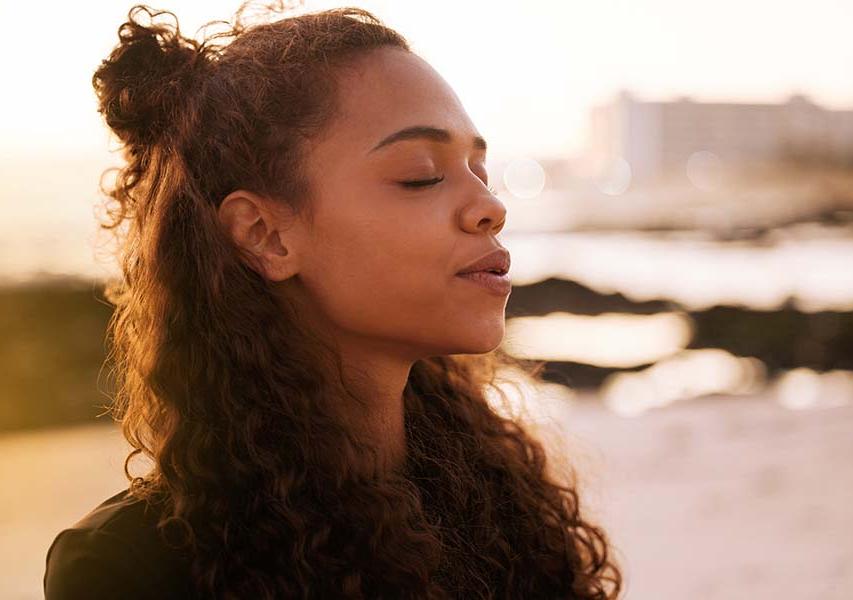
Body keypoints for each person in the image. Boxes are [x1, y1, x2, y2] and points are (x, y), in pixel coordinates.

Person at [43, 3, 622, 598]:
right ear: (264, 235)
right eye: (421, 175)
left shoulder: (499, 503)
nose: (491, 207)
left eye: (480, 171)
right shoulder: (130, 570)